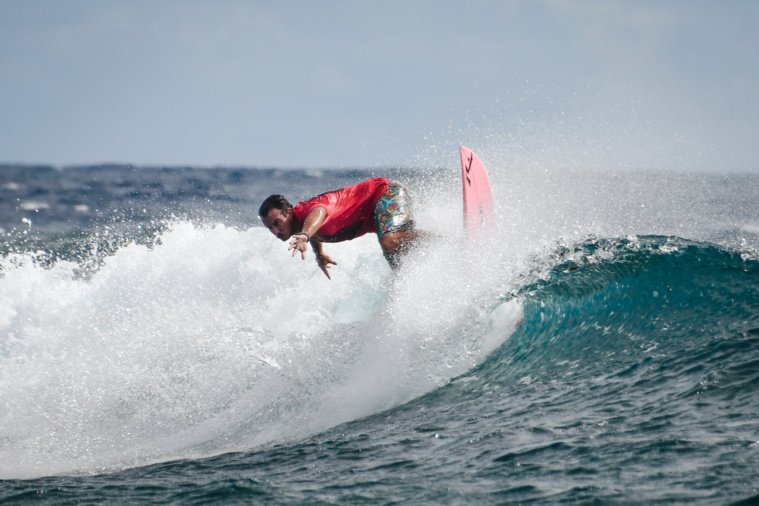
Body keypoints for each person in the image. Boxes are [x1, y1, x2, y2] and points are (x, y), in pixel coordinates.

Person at [258, 177, 424, 278]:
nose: (275, 232)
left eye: (277, 223)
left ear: (288, 213)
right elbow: (314, 230)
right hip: (375, 215)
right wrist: (319, 254)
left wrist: (305, 235)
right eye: (270, 228)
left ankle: (446, 239)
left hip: (385, 193)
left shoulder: (307, 212)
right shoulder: (301, 224)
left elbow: (318, 213)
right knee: (400, 272)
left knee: (390, 241)